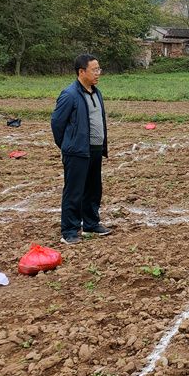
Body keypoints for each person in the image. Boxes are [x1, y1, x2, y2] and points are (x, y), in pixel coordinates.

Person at [50, 54, 112, 244]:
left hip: (94, 150)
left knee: (93, 189)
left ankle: (91, 224)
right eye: (94, 70)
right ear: (81, 72)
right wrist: (68, 145)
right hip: (76, 152)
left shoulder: (96, 92)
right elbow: (57, 123)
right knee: (74, 191)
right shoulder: (69, 95)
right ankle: (69, 230)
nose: (98, 73)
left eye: (99, 69)